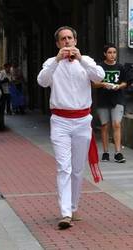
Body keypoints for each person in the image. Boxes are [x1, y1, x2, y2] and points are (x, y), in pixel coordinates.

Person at [37, 26, 105, 229]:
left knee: (77, 169)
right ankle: (65, 212)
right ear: (58, 44)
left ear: (75, 40)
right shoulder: (51, 63)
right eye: (63, 39)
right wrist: (57, 60)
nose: (67, 42)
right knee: (63, 167)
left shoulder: (87, 61)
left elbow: (99, 76)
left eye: (70, 38)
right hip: (60, 121)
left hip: (83, 121)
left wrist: (82, 59)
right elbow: (42, 81)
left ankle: (74, 207)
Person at [92, 44, 127, 163]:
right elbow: (94, 84)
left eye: (114, 52)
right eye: (110, 52)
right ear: (105, 54)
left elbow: (125, 82)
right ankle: (106, 152)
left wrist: (119, 86)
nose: (112, 55)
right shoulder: (99, 67)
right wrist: (103, 84)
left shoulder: (120, 67)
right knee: (104, 125)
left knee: (117, 124)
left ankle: (118, 152)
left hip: (117, 99)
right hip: (103, 99)